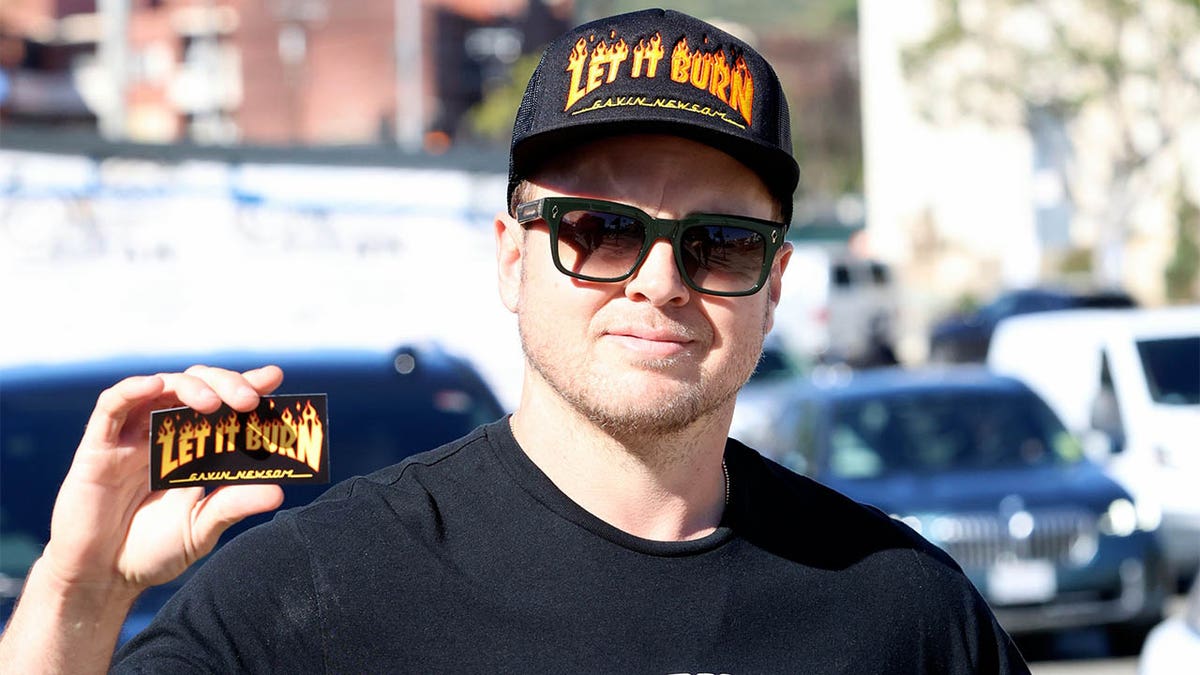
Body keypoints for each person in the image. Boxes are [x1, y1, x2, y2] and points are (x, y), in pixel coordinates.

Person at [0, 9, 1029, 673]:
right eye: (599, 229)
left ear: (774, 285)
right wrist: (80, 594)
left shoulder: (904, 611)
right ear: (509, 255)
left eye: (717, 244)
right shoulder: (309, 600)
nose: (659, 282)